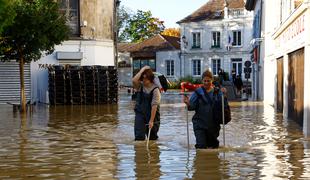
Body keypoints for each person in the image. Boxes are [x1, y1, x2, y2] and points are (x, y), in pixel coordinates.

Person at [183, 69, 228, 149]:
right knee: (201, 146)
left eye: (208, 81)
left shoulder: (218, 92)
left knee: (212, 147)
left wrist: (224, 96)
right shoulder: (197, 92)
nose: (206, 83)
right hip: (199, 124)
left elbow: (223, 106)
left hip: (213, 125)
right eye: (204, 81)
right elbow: (191, 107)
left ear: (212, 80)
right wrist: (188, 103)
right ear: (202, 81)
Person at [132, 66, 161, 141]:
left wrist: (151, 121)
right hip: (140, 114)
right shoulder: (140, 87)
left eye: (145, 79)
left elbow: (154, 106)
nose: (143, 80)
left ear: (150, 79)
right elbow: (134, 80)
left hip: (152, 115)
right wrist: (142, 70)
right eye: (142, 78)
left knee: (152, 138)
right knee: (139, 137)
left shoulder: (155, 90)